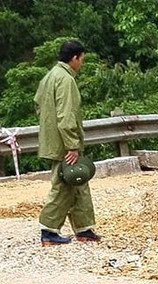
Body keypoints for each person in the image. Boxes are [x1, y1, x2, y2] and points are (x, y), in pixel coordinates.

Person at [35, 40, 100, 245]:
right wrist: (71, 143)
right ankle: (49, 230)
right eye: (81, 59)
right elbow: (66, 114)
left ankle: (84, 228)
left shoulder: (49, 76)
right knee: (63, 185)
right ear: (74, 58)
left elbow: (38, 105)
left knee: (78, 181)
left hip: (54, 139)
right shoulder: (65, 79)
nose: (81, 63)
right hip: (63, 142)